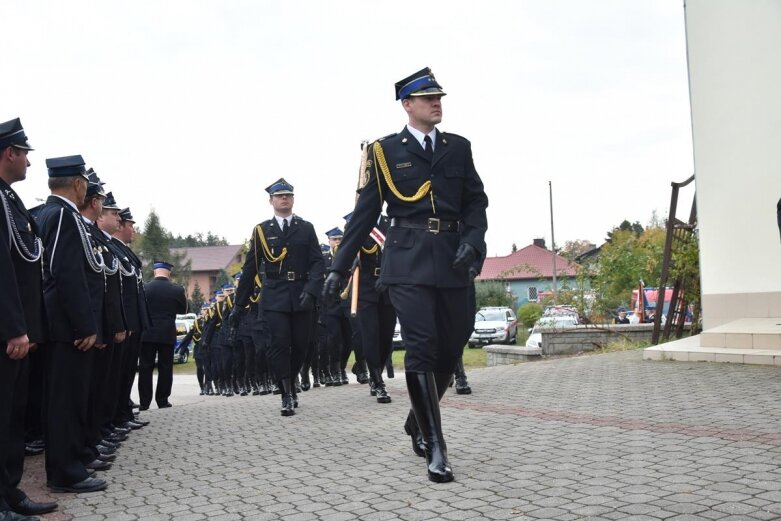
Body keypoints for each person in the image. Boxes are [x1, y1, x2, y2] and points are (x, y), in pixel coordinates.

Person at [323, 67, 488, 483]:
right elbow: (364, 217)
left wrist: (473, 241)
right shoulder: (384, 151)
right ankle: (436, 444)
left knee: (452, 347)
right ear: (407, 105)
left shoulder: (458, 147)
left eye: (440, 97)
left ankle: (418, 420)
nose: (437, 103)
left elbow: (476, 202)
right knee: (422, 348)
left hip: (452, 259)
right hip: (407, 262)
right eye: (429, 98)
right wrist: (338, 268)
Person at [37, 154, 108, 493]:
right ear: (78, 184)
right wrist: (84, 326)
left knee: (71, 399)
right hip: (68, 328)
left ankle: (73, 462)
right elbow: (66, 274)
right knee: (65, 402)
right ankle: (65, 472)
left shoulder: (60, 214)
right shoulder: (63, 215)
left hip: (67, 324)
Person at [0, 118, 59, 520]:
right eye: (24, 154)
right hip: (6, 334)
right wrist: (14, 328)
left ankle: (11, 492)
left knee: (13, 417)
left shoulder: (10, 199)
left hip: (18, 332)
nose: (28, 163)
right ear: (9, 153)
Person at [232, 178, 325, 416]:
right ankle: (286, 391)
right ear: (271, 201)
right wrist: (238, 305)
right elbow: (250, 269)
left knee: (302, 345)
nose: (284, 199)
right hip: (274, 297)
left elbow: (317, 262)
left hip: (302, 294)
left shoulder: (306, 227)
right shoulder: (262, 231)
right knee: (279, 344)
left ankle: (290, 379)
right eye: (280, 196)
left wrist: (313, 290)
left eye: (288, 195)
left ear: (293, 199)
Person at [138, 261, 187, 410]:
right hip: (166, 333)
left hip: (147, 333)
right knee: (166, 368)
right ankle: (163, 400)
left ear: (154, 272)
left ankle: (144, 402)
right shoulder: (177, 290)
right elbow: (184, 310)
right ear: (169, 272)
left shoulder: (144, 287)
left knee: (145, 368)